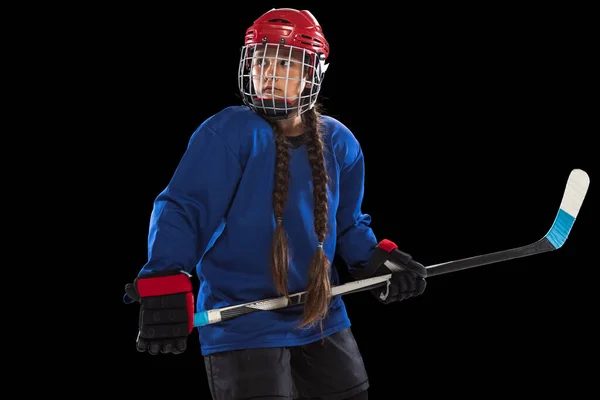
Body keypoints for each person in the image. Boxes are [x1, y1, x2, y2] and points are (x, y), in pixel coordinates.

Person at [124, 7, 427, 400]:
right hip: (244, 322)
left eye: (285, 62)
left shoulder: (339, 141)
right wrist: (165, 276)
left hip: (321, 315)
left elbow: (347, 223)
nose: (268, 73)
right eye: (261, 61)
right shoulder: (230, 132)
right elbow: (184, 209)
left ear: (311, 74)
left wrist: (374, 260)